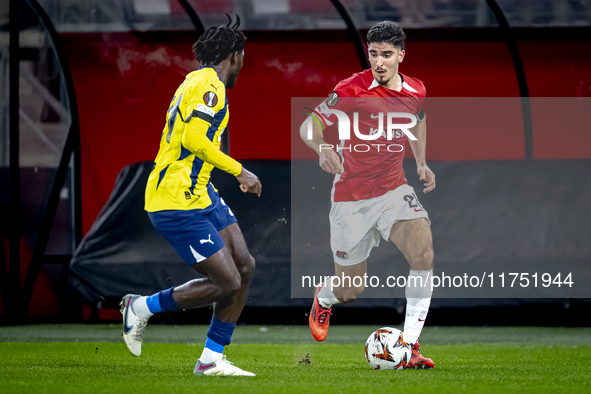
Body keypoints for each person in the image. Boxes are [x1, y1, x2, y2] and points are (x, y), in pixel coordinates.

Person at [120, 15, 261, 377]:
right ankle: (141, 307)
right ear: (234, 55)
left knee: (244, 266)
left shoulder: (199, 82)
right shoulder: (209, 86)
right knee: (227, 281)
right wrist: (240, 170)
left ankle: (212, 358)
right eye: (243, 55)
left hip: (200, 193)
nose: (244, 61)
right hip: (175, 199)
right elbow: (193, 139)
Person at [301, 21, 436, 369]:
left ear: (401, 55)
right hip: (351, 199)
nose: (379, 61)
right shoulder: (352, 88)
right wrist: (322, 147)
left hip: (394, 189)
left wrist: (421, 162)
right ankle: (325, 297)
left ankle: (411, 345)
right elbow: (308, 125)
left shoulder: (416, 89)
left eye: (387, 54)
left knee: (423, 252)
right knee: (350, 289)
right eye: (373, 53)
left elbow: (418, 119)